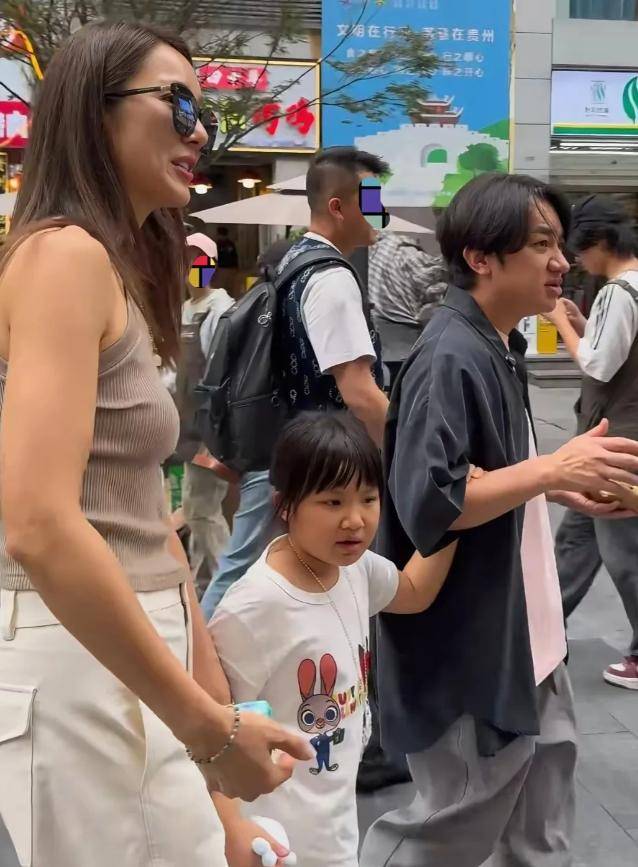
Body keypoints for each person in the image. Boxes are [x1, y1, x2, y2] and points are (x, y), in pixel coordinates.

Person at [0, 21, 309, 867]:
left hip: (130, 653)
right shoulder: (63, 256)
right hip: (83, 660)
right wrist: (210, 729)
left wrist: (217, 762)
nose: (198, 131)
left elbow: (147, 521)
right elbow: (38, 523)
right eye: (177, 103)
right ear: (93, 111)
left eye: (202, 111)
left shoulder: (112, 267)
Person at [361, 173, 638, 867]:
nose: (561, 262)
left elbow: (491, 477)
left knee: (539, 833)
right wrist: (552, 471)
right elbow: (432, 501)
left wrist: (560, 488)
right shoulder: (449, 354)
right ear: (480, 257)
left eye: (560, 243)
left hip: (531, 638)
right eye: (541, 244)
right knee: (445, 831)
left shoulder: (493, 343)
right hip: (477, 648)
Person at [209, 411, 458, 867]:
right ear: (285, 505)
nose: (355, 520)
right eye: (332, 502)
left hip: (336, 831)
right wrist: (233, 829)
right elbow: (211, 732)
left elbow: (413, 591)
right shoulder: (254, 608)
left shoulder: (354, 569)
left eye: (368, 499)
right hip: (275, 843)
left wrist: (454, 509)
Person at [200, 146, 389, 621]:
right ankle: (195, 657)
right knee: (244, 568)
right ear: (338, 207)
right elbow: (359, 392)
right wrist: (409, 448)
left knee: (265, 567)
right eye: (372, 200)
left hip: (287, 448)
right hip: (311, 459)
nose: (380, 212)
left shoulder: (293, 260)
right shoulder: (332, 278)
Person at [546, 195, 638, 689]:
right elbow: (614, 351)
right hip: (612, 440)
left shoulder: (619, 291)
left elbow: (599, 365)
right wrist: (583, 328)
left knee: (624, 554)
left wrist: (562, 323)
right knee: (576, 540)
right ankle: (541, 632)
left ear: (599, 242)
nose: (576, 261)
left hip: (616, 442)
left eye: (579, 250)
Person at [175, 232, 234, 599]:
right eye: (186, 260)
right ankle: (203, 584)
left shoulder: (221, 310)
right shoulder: (185, 309)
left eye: (199, 260)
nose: (192, 268)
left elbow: (222, 376)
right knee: (195, 506)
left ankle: (229, 584)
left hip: (209, 428)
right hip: (187, 426)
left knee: (202, 510)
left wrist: (216, 431)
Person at [368, 231, 448, 390]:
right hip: (405, 346)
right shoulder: (407, 255)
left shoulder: (377, 252)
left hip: (381, 343)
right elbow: (433, 282)